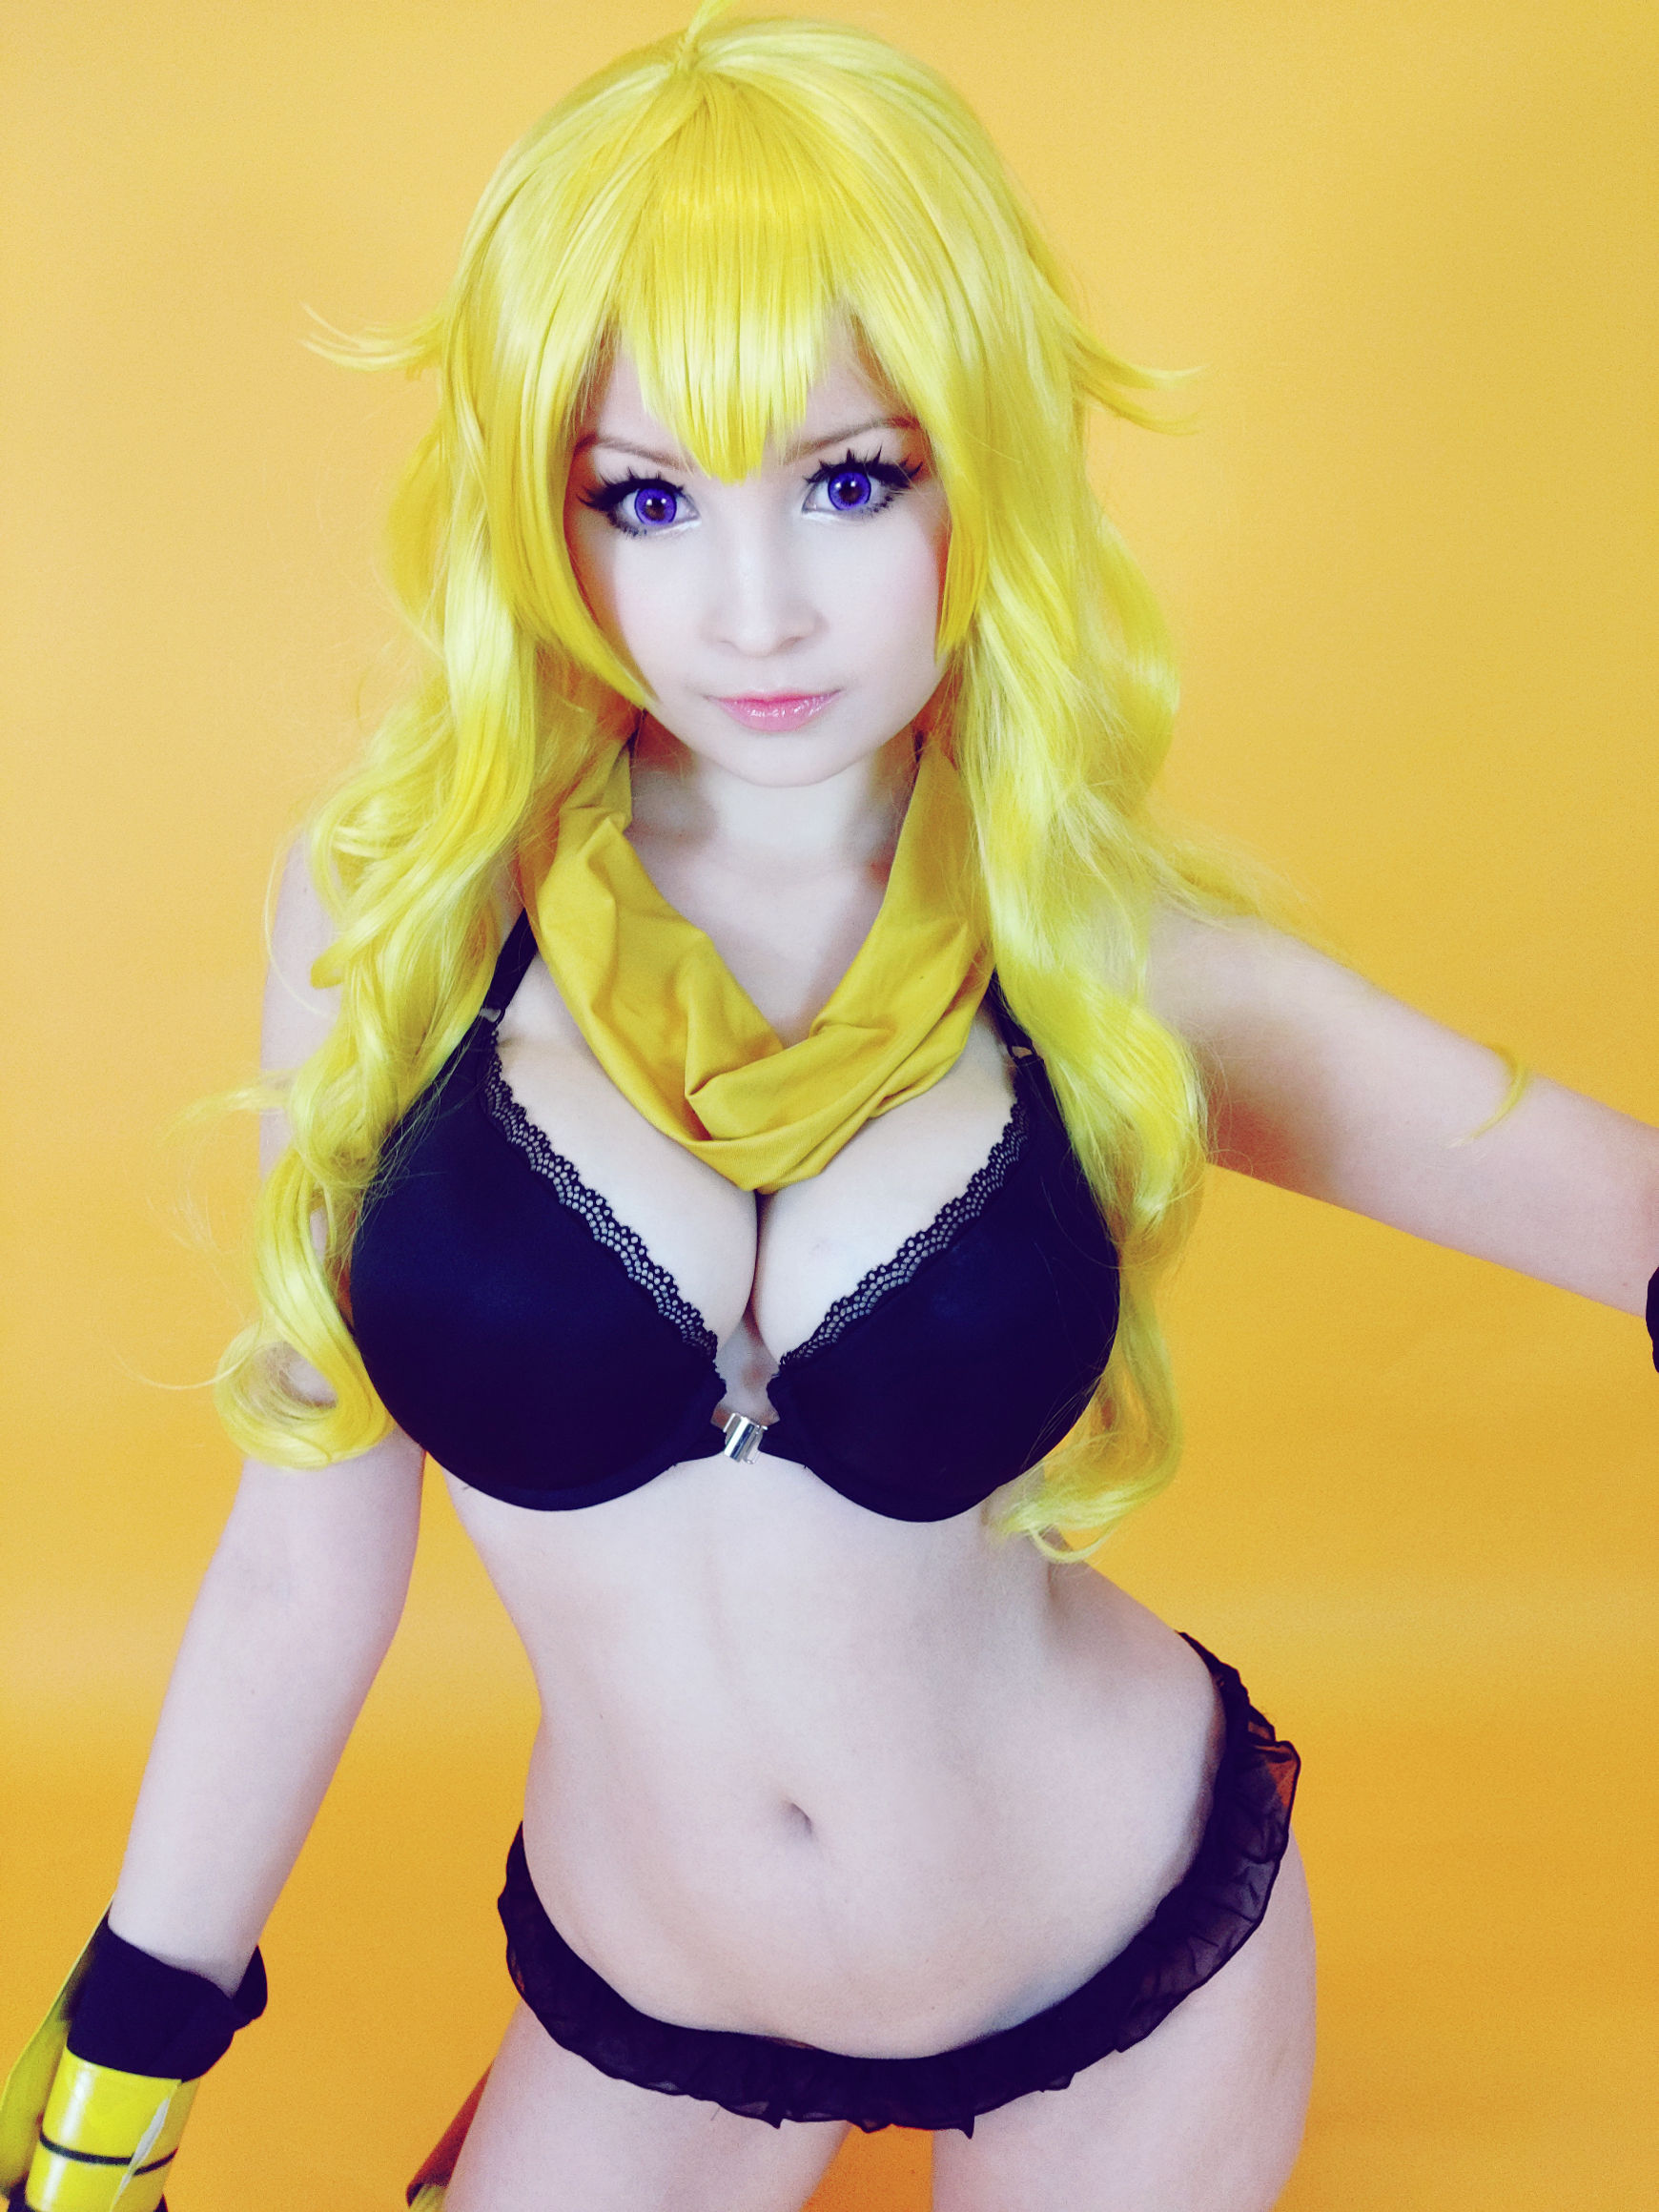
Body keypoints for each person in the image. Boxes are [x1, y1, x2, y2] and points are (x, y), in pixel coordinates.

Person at [4, 7, 1655, 2210]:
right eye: (648, 496)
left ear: (981, 460)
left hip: (1119, 1966)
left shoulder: (1100, 948)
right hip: (650, 1997)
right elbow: (304, 1562)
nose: (756, 607)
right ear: (541, 506)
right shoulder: (397, 914)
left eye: (851, 479)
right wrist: (117, 2072)